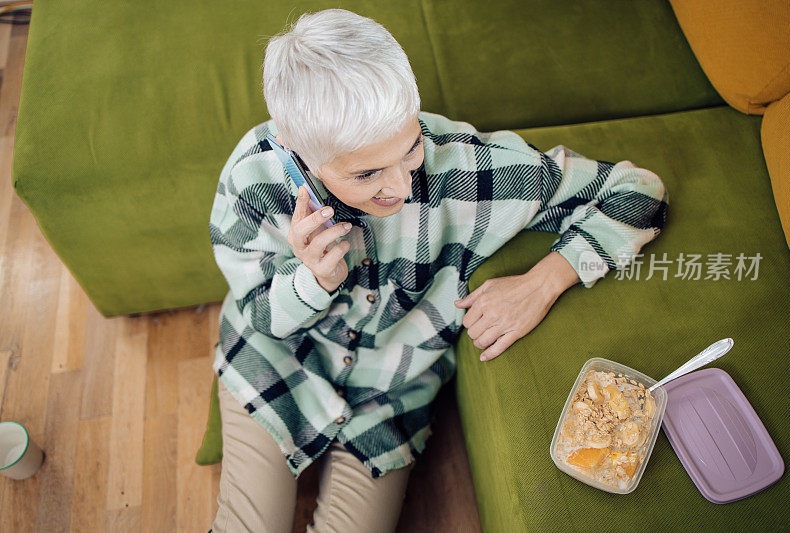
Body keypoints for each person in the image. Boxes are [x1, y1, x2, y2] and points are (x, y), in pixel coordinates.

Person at [208, 8, 668, 533]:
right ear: (298, 150)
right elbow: (262, 317)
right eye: (366, 173)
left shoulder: (467, 168)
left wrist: (545, 280)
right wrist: (310, 283)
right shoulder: (252, 179)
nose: (402, 187)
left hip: (390, 393)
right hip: (274, 363)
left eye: (409, 150)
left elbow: (638, 193)